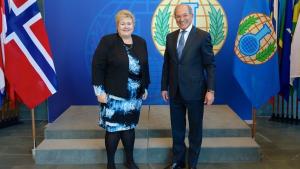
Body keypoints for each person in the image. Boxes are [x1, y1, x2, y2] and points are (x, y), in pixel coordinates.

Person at [92, 10, 150, 169]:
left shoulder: (141, 42)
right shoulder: (107, 41)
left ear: (133, 25)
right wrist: (99, 91)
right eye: (122, 23)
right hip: (113, 96)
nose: (126, 26)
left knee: (129, 129)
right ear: (117, 25)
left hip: (134, 97)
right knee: (113, 131)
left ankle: (129, 161)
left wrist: (145, 86)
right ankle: (110, 164)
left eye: (129, 23)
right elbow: (97, 66)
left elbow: (144, 66)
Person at [161, 4, 215, 169]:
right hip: (175, 91)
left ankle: (192, 164)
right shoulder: (170, 37)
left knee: (195, 131)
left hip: (195, 92)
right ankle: (178, 162)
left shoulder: (202, 36)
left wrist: (210, 90)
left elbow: (210, 65)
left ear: (191, 16)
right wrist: (164, 87)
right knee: (177, 130)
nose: (181, 19)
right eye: (178, 16)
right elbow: (167, 64)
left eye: (184, 15)